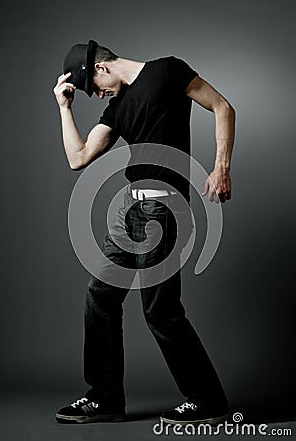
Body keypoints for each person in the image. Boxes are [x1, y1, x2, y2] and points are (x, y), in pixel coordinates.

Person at [53, 39, 235, 425]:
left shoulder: (167, 70)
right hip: (128, 210)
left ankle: (208, 399)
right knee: (99, 297)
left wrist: (221, 167)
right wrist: (64, 109)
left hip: (164, 209)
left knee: (160, 311)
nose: (96, 95)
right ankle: (105, 397)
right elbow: (77, 158)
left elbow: (222, 107)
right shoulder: (116, 108)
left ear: (101, 69)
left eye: (92, 88)